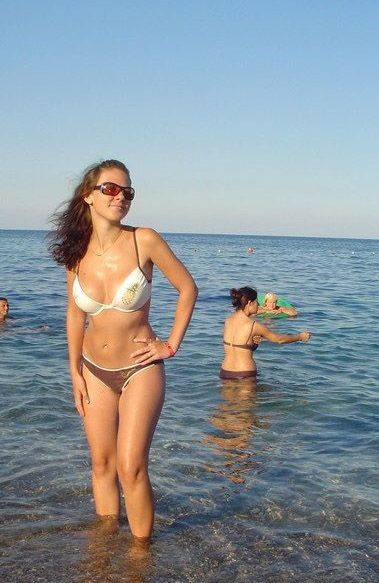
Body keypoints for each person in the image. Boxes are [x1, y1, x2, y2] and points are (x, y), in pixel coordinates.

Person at [49, 159, 197, 542]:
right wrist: (74, 372)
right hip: (93, 369)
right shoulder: (76, 253)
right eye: (111, 189)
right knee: (102, 464)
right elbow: (74, 314)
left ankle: (140, 557)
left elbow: (188, 289)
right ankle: (104, 548)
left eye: (127, 192)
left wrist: (170, 345)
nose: (121, 197)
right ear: (89, 196)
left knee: (131, 467)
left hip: (139, 369)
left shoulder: (143, 240)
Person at [220, 286, 310, 380]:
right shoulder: (254, 325)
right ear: (250, 303)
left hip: (225, 371)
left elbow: (236, 347)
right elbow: (279, 339)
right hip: (245, 372)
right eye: (256, 302)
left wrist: (253, 345)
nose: (258, 304)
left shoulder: (228, 321)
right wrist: (300, 336)